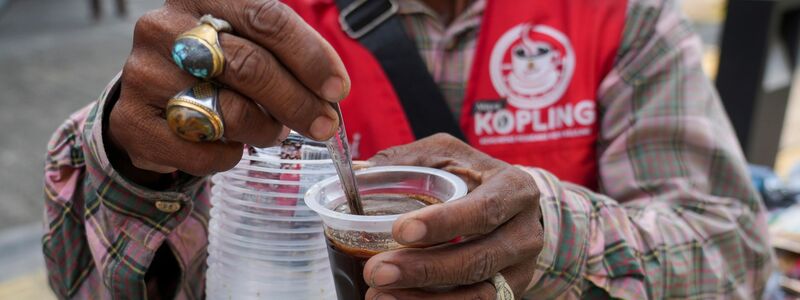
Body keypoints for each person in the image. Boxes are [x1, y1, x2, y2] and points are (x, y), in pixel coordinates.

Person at [42, 0, 773, 298]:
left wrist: (555, 236)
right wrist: (133, 156)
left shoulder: (621, 15)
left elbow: (734, 249)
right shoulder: (255, 22)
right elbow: (83, 280)